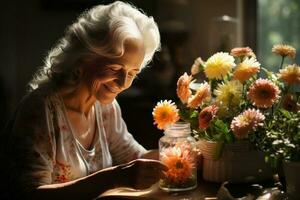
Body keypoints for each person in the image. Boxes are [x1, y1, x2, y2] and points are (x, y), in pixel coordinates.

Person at [0, 1, 166, 200]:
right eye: (114, 69)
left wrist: (184, 152)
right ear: (84, 57)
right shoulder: (41, 109)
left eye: (132, 73)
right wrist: (113, 178)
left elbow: (133, 158)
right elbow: (29, 195)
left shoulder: (106, 107)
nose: (122, 83)